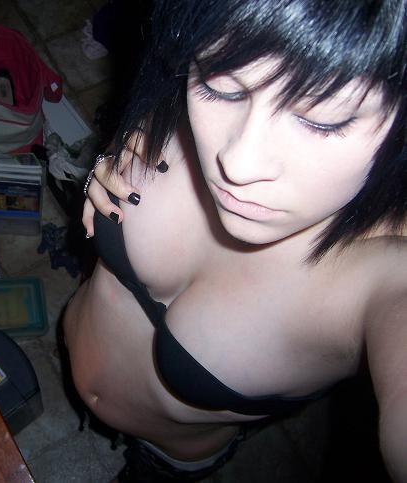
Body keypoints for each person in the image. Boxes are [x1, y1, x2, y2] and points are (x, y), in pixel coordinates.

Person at [61, 0, 407, 481]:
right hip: (72, 337)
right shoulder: (180, 94)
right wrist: (107, 164)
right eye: (221, 84)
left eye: (322, 119)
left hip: (168, 456)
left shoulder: (388, 275)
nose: (237, 164)